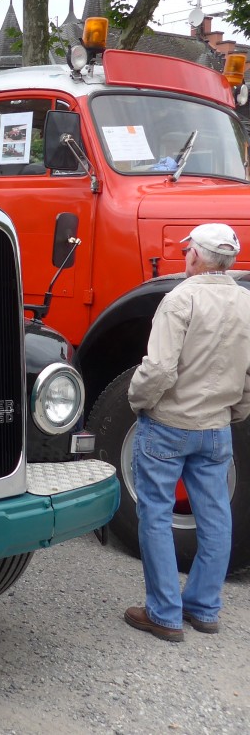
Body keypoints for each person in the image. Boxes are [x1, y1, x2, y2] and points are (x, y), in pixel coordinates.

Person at [124, 222, 250, 642]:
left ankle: (163, 613)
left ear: (195, 255)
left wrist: (137, 399)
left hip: (170, 425)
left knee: (155, 514)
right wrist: (236, 410)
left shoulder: (180, 298)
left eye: (187, 251)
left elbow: (159, 367)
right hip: (216, 428)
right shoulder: (245, 301)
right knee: (216, 517)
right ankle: (204, 608)